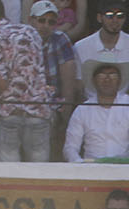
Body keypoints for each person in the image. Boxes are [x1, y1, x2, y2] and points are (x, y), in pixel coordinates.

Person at [0, 0, 53, 162]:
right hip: (38, 111)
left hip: (9, 113)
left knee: (9, 172)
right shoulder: (31, 32)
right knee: (40, 173)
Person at [65, 51, 129, 159]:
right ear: (93, 80)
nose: (107, 79)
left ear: (120, 81)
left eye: (113, 75)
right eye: (102, 75)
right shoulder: (82, 110)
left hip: (124, 168)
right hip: (91, 169)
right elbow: (70, 147)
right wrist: (80, 165)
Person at [74, 2, 129, 100]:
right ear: (99, 18)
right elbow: (79, 87)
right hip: (90, 105)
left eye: (120, 16)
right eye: (109, 15)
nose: (115, 20)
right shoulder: (81, 47)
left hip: (124, 106)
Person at [29, 0, 78, 138]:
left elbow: (68, 85)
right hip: (25, 102)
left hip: (52, 104)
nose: (46, 25)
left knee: (47, 119)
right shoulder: (21, 40)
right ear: (31, 20)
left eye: (51, 22)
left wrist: (65, 117)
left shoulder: (60, 39)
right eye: (41, 20)